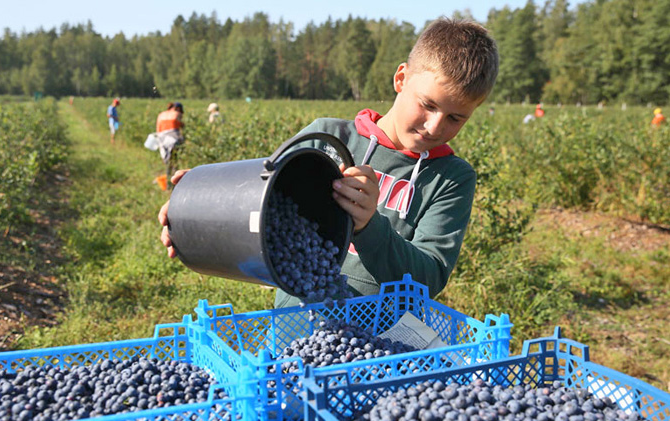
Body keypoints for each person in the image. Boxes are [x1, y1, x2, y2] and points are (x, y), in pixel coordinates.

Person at [158, 17, 499, 308]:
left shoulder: (451, 178)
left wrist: (369, 226)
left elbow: (430, 277)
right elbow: (265, 201)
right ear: (401, 79)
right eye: (427, 104)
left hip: (383, 342)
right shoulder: (325, 138)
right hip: (298, 323)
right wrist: (203, 204)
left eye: (456, 118)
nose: (435, 126)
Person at [156, 102, 185, 190]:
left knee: (168, 162)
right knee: (174, 162)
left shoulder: (161, 114)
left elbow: (158, 130)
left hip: (162, 140)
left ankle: (169, 183)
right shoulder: (177, 114)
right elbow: (181, 127)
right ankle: (174, 184)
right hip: (173, 140)